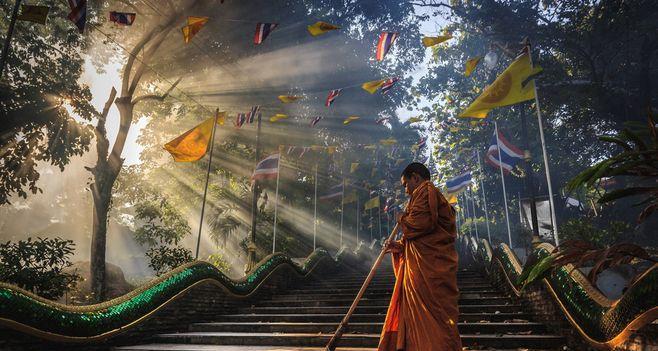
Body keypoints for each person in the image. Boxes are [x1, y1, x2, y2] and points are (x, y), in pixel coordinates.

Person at [378, 162, 461, 351]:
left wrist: (401, 217)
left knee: (436, 317)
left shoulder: (426, 190)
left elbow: (421, 224)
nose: (406, 190)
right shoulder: (420, 196)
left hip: (432, 269)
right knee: (421, 317)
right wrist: (398, 246)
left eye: (406, 184)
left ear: (416, 177)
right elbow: (419, 236)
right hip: (423, 268)